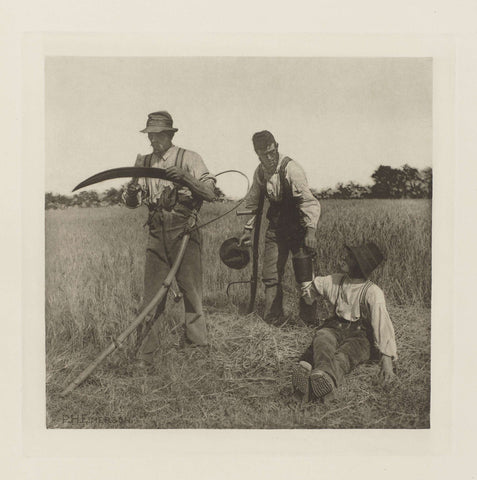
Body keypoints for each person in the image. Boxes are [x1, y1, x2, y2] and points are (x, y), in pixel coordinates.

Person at [123, 111, 216, 367]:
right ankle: (145, 355)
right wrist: (131, 192)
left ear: (169, 134)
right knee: (152, 295)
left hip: (183, 228)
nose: (152, 140)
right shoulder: (144, 162)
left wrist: (185, 178)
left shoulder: (189, 158)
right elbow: (132, 203)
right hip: (156, 229)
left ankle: (197, 347)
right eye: (150, 135)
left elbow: (210, 192)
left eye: (157, 135)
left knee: (191, 290)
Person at [291, 242, 397, 403]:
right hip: (335, 327)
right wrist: (305, 278)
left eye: (350, 258)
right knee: (322, 339)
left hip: (360, 337)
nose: (344, 258)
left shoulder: (373, 292)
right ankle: (319, 379)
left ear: (359, 266)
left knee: (345, 356)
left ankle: (319, 378)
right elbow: (310, 292)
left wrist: (387, 358)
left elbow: (382, 323)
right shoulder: (335, 281)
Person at [239, 130, 321, 324]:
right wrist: (247, 230)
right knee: (270, 275)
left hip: (298, 228)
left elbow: (309, 202)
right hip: (276, 229)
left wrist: (310, 231)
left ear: (276, 147)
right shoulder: (260, 172)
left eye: (271, 152)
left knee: (304, 275)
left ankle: (309, 320)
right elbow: (253, 204)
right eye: (263, 154)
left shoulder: (291, 169)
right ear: (257, 154)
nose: (269, 157)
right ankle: (273, 319)